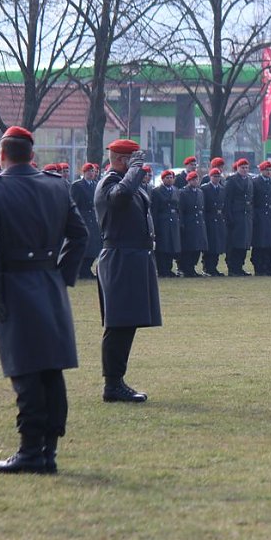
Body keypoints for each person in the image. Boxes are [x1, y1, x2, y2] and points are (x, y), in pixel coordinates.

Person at [0, 126, 88, 473]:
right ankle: (48, 450)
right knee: (51, 369)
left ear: (2, 155)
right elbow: (80, 234)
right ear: (32, 156)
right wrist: (62, 276)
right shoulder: (57, 186)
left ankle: (29, 451)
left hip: (15, 285)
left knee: (25, 370)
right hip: (49, 283)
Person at [94, 139, 162, 403]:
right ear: (123, 160)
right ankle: (112, 385)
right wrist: (134, 170)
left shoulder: (127, 183)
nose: (141, 168)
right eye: (136, 162)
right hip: (120, 257)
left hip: (134, 257)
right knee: (119, 323)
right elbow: (120, 197)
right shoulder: (109, 183)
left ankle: (116, 381)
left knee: (127, 322)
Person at [69, 162, 101, 279]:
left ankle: (87, 268)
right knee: (87, 244)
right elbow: (74, 202)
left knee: (95, 244)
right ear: (84, 172)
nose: (91, 173)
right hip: (83, 217)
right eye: (89, 171)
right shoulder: (77, 185)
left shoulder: (96, 185)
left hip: (94, 217)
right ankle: (82, 270)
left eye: (92, 171)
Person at [223, 158, 254, 276]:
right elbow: (228, 200)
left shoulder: (249, 180)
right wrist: (229, 217)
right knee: (234, 243)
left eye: (246, 168)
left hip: (246, 215)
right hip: (236, 215)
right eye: (242, 168)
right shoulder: (232, 180)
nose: (245, 170)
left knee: (244, 243)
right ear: (237, 168)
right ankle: (233, 267)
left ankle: (240, 266)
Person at [150, 170, 182, 277]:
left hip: (173, 221)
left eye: (171, 177)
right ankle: (162, 270)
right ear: (162, 179)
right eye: (167, 178)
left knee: (172, 246)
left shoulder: (176, 190)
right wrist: (154, 226)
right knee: (163, 246)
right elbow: (154, 210)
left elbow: (178, 207)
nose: (169, 180)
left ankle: (169, 269)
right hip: (162, 221)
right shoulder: (157, 191)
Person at [251, 161, 271, 275]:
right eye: (266, 170)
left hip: (269, 215)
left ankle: (266, 267)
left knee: (268, 243)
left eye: (270, 170)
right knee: (259, 243)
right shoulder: (255, 182)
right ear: (261, 170)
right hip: (259, 214)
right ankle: (258, 267)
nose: (268, 172)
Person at [178, 171, 208, 277]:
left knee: (198, 247)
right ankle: (186, 268)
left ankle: (192, 267)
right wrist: (182, 223)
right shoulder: (183, 192)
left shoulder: (200, 192)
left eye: (196, 179)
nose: (195, 181)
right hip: (189, 221)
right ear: (189, 181)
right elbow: (180, 209)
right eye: (193, 180)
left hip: (199, 222)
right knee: (189, 247)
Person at [200, 168, 227, 276]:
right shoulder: (205, 188)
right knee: (210, 244)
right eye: (214, 176)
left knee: (217, 245)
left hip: (219, 218)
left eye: (218, 176)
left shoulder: (222, 189)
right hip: (209, 218)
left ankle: (214, 267)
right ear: (210, 177)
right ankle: (207, 267)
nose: (216, 178)